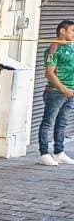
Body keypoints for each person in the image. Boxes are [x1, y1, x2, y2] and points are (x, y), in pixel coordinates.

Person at [39, 20, 74, 165]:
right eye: (72, 31)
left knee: (62, 123)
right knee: (48, 122)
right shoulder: (53, 49)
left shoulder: (71, 48)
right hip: (56, 92)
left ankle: (59, 152)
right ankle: (44, 153)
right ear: (62, 31)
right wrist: (63, 89)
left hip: (70, 93)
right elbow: (49, 73)